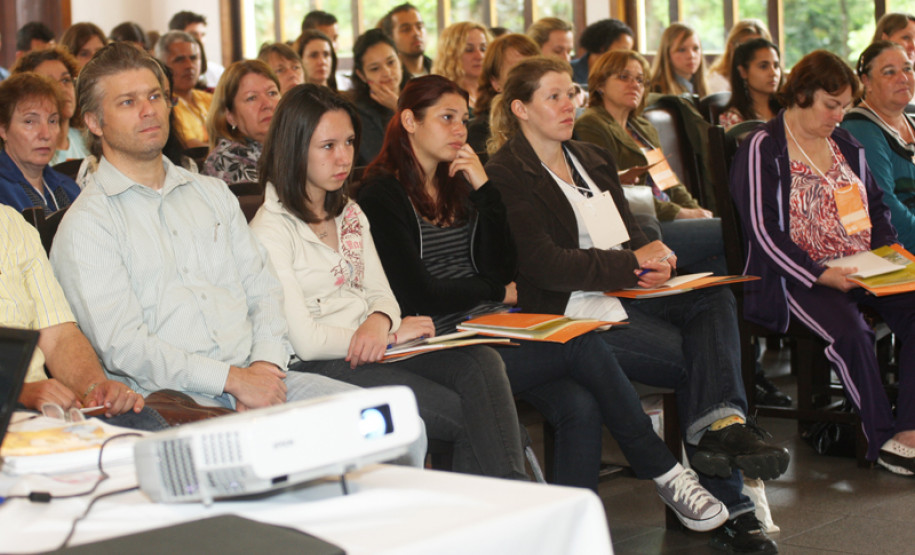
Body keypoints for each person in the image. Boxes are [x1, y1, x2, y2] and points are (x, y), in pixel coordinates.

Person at [356, 74, 730, 531]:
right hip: (441, 342)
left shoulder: (458, 183)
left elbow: (501, 265)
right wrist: (491, 291)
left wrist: (484, 190)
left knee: (580, 403)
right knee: (581, 342)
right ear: (410, 122)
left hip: (491, 326)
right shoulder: (381, 192)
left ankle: (571, 534)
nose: (459, 130)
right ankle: (665, 470)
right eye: (447, 118)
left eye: (464, 119)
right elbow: (419, 293)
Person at [485, 56, 788, 552]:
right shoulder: (507, 174)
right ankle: (732, 498)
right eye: (553, 96)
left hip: (627, 296)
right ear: (520, 108)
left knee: (712, 297)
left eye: (571, 94)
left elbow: (627, 235)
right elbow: (544, 265)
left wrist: (655, 258)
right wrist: (630, 264)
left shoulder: (591, 156)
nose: (568, 105)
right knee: (702, 363)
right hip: (572, 311)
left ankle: (721, 435)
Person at [48, 43, 367, 425]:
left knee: (395, 427)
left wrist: (263, 370)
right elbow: (127, 349)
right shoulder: (88, 226)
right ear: (95, 123)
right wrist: (233, 381)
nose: (148, 110)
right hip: (173, 405)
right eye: (127, 103)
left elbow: (264, 291)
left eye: (154, 96)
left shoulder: (212, 193)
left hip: (265, 379)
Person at [250, 83, 526, 481]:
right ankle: (506, 511)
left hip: (377, 345)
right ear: (294, 148)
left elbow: (384, 294)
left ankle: (503, 512)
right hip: (328, 363)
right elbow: (306, 341)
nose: (344, 157)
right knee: (478, 420)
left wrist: (381, 320)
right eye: (328, 146)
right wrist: (389, 334)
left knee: (482, 362)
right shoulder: (270, 231)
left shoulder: (348, 212)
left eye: (348, 142)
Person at [731, 49, 915, 479]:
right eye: (831, 105)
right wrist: (821, 273)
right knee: (851, 332)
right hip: (796, 277)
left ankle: (908, 431)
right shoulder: (764, 147)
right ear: (801, 94)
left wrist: (892, 259)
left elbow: (877, 210)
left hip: (863, 265)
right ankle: (879, 435)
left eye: (845, 106)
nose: (839, 115)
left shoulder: (845, 143)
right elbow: (763, 233)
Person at [575, 50, 725, 275]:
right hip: (639, 225)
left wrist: (696, 210)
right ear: (600, 84)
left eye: (640, 80)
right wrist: (679, 213)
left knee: (718, 269)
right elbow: (611, 191)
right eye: (624, 77)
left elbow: (669, 182)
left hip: (666, 218)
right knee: (732, 232)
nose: (634, 84)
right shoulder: (592, 125)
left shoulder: (643, 128)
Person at [842, 41, 915, 250]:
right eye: (889, 72)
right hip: (893, 250)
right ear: (867, 81)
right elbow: (884, 206)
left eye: (907, 69)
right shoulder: (859, 130)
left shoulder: (912, 121)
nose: (903, 78)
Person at [0, 73, 80, 214]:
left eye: (52, 121)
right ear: (3, 129)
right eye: (29, 122)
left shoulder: (70, 188)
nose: (46, 134)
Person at [202, 60, 280, 184]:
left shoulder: (293, 146)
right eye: (252, 98)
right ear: (230, 116)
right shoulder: (227, 160)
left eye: (272, 93)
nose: (268, 104)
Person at [12, 47, 91, 165]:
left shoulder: (88, 142)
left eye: (65, 80)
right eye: (50, 82)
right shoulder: (25, 152)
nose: (62, 89)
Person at [468, 33, 539, 154]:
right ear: (495, 83)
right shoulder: (480, 132)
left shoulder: (554, 118)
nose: (527, 78)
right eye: (516, 70)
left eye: (533, 69)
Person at [350, 29, 408, 166]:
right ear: (362, 75)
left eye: (391, 62)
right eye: (375, 69)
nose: (387, 72)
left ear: (399, 60)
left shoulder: (420, 93)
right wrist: (398, 108)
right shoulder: (359, 114)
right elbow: (384, 161)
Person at [156, 30, 212, 148]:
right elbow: (193, 148)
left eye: (193, 58)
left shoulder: (210, 99)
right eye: (179, 60)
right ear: (162, 65)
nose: (189, 65)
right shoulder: (163, 106)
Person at [719, 38, 782, 130]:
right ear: (743, 72)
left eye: (776, 66)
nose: (773, 73)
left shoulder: (787, 110)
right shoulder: (734, 118)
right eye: (763, 66)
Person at [432, 22, 490, 108]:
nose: (479, 56)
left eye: (483, 48)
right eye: (469, 50)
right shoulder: (440, 97)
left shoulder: (497, 91)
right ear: (451, 55)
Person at [707, 20, 772, 94]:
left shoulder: (769, 81)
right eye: (748, 48)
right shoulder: (718, 84)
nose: (754, 55)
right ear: (731, 48)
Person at [649, 23, 708, 98]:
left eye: (695, 48)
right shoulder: (656, 91)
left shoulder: (699, 86)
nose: (691, 55)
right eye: (682, 50)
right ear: (667, 54)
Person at [168, 10, 224, 88]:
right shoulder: (167, 74)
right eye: (193, 34)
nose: (200, 40)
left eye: (203, 35)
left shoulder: (217, 71)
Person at [570, 19, 634, 86]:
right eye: (623, 50)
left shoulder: (623, 75)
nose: (627, 56)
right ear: (602, 47)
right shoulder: (570, 71)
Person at [380, 3, 431, 77]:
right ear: (391, 37)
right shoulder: (390, 79)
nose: (416, 33)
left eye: (419, 27)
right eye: (406, 29)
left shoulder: (439, 71)